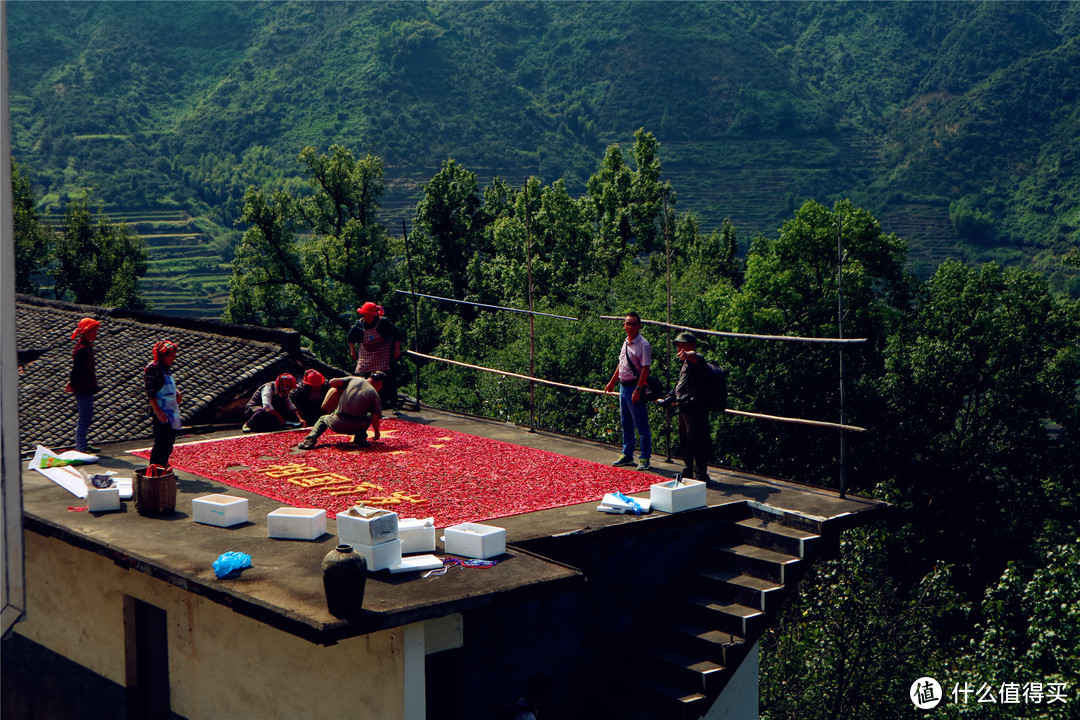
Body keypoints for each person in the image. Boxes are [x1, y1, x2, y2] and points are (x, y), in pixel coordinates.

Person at [658, 331, 713, 482]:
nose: (680, 348)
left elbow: (697, 357)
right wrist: (670, 396)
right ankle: (689, 469)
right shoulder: (685, 363)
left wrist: (689, 354)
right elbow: (681, 383)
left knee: (697, 439)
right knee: (685, 440)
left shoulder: (697, 361)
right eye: (678, 345)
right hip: (685, 407)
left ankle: (701, 473)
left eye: (684, 345)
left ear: (692, 345)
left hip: (696, 407)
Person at [603, 311, 652, 470]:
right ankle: (627, 454)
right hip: (623, 386)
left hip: (634, 386)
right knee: (626, 423)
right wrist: (612, 382)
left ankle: (645, 457)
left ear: (639, 326)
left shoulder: (643, 344)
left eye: (632, 323)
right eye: (627, 323)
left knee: (641, 424)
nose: (629, 326)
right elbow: (621, 364)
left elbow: (646, 369)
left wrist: (638, 389)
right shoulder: (626, 342)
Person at [296, 372, 385, 451]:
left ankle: (310, 440)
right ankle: (360, 438)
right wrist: (377, 433)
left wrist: (340, 388)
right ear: (380, 383)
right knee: (369, 415)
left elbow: (332, 382)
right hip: (357, 426)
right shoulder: (374, 394)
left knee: (323, 418)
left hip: (337, 424)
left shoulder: (354, 379)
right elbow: (375, 416)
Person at [347, 301, 404, 409]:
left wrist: (397, 349)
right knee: (369, 378)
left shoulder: (383, 323)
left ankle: (393, 403)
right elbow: (350, 338)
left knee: (388, 377)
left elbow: (397, 334)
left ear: (372, 315)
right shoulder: (359, 325)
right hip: (367, 352)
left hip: (383, 351)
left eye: (366, 315)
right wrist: (352, 351)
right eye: (363, 315)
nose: (364, 318)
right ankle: (371, 402)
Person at [65, 317, 101, 453]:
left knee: (87, 415)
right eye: (94, 331)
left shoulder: (85, 346)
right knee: (85, 416)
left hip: (86, 386)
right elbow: (77, 370)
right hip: (83, 387)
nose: (96, 334)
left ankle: (83, 444)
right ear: (86, 332)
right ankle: (80, 447)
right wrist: (72, 383)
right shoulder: (82, 349)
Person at [144, 340, 182, 468]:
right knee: (161, 442)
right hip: (160, 412)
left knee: (169, 442)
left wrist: (177, 393)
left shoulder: (166, 369)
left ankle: (163, 466)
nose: (173, 359)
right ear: (164, 355)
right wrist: (158, 412)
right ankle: (155, 469)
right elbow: (151, 393)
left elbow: (169, 386)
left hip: (171, 411)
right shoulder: (152, 369)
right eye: (172, 356)